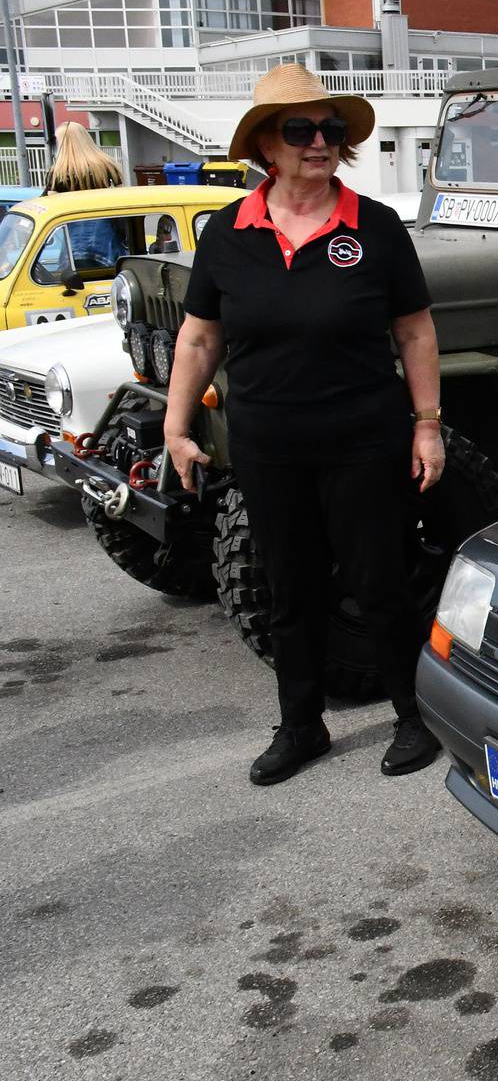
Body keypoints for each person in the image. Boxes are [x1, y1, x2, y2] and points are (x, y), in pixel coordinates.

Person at [163, 63, 447, 786]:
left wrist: (427, 425)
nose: (318, 142)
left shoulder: (375, 228)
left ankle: (415, 717)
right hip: (269, 444)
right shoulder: (229, 234)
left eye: (330, 130)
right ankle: (301, 726)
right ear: (265, 144)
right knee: (288, 588)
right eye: (300, 130)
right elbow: (198, 339)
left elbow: (415, 333)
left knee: (379, 580)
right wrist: (176, 426)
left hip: (363, 436)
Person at [47, 121, 128, 270]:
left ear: (64, 144)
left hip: (74, 240)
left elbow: (49, 204)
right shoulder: (107, 165)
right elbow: (122, 199)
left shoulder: (58, 173)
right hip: (105, 236)